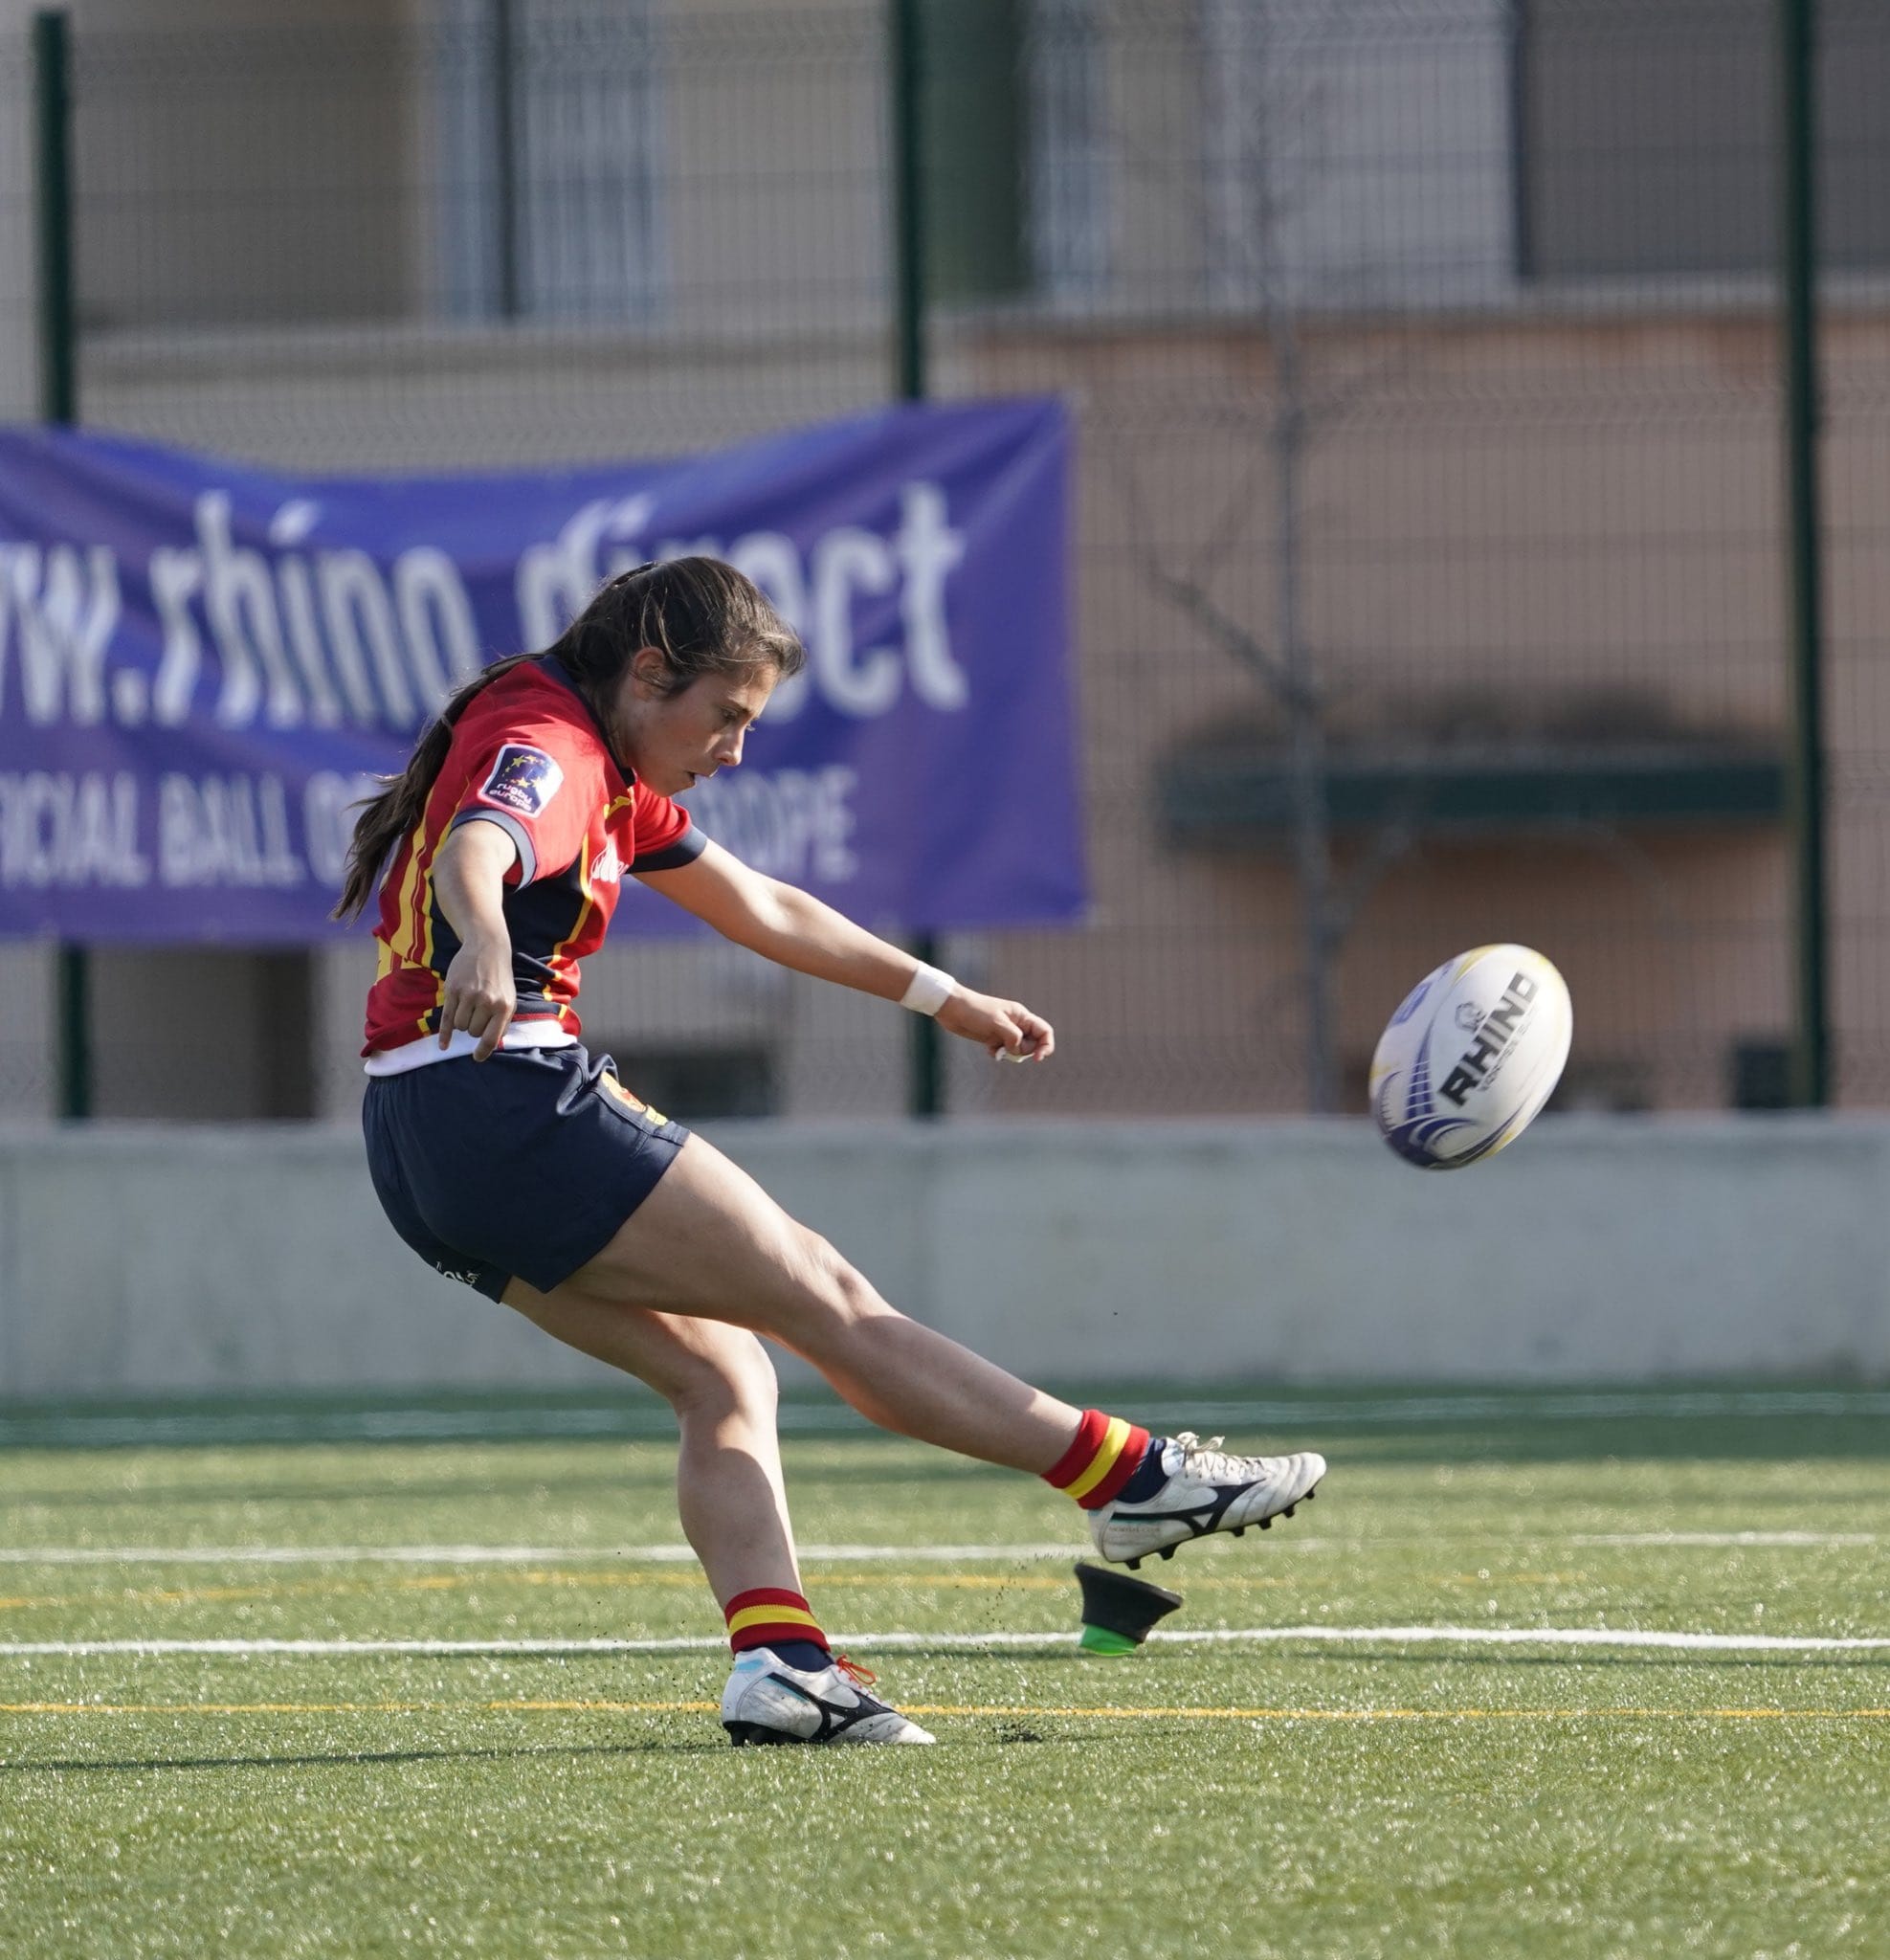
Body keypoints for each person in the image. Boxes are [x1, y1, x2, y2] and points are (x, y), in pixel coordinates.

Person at [338, 557, 1325, 1748]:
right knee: (827, 1296)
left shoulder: (605, 759)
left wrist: (941, 994)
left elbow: (765, 906)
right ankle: (1130, 1478)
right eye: (727, 717)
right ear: (650, 674)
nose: (734, 750)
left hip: (419, 1145)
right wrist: (486, 945)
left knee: (726, 1374)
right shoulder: (551, 734)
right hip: (505, 1104)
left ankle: (782, 1664)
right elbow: (482, 846)